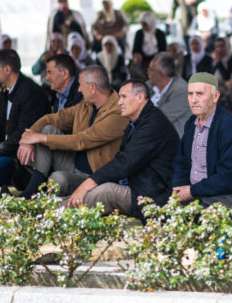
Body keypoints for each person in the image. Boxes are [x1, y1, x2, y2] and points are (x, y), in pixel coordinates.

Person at [64, 80, 180, 221]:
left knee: (106, 192)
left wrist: (87, 184)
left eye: (124, 97)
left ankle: (48, 215)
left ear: (139, 97)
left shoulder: (153, 124)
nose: (119, 102)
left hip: (151, 196)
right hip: (137, 186)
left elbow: (125, 163)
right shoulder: (136, 122)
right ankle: (50, 209)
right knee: (86, 188)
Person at [11, 65, 128, 199]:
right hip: (73, 165)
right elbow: (54, 118)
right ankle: (32, 190)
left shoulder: (118, 111)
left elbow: (82, 140)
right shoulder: (86, 104)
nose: (78, 89)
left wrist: (41, 138)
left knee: (58, 178)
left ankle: (37, 194)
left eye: (81, 85)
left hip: (95, 178)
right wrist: (29, 137)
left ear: (92, 88)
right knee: (48, 129)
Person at [171, 73, 232, 207]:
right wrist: (179, 187)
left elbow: (229, 177)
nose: (194, 100)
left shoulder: (231, 128)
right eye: (190, 94)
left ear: (215, 96)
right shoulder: (191, 124)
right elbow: (181, 162)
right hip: (196, 193)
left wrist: (192, 191)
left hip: (230, 197)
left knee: (194, 217)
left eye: (200, 94)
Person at [0, 49, 50, 187]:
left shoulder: (30, 92)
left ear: (7, 69)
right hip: (2, 148)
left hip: (16, 154)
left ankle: (16, 179)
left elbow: (23, 132)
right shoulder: (6, 90)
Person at [147, 52, 192, 137]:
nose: (148, 72)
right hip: (153, 139)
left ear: (160, 74)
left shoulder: (182, 91)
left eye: (150, 70)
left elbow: (159, 119)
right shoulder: (149, 85)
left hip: (172, 144)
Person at [131, 11, 166, 80]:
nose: (143, 27)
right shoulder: (139, 33)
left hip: (157, 60)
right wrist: (136, 56)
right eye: (142, 24)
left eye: (145, 25)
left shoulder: (160, 33)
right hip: (143, 61)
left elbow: (163, 50)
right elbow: (135, 49)